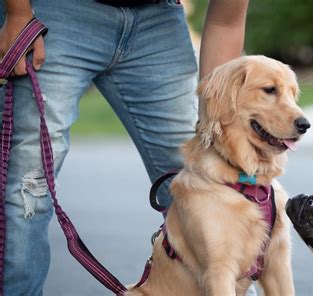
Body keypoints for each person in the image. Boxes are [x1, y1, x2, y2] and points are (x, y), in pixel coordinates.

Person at [0, 0, 249, 294]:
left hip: (159, 25)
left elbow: (226, 21)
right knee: (27, 187)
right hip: (57, 12)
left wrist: (216, 122)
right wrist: (17, 13)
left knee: (212, 184)